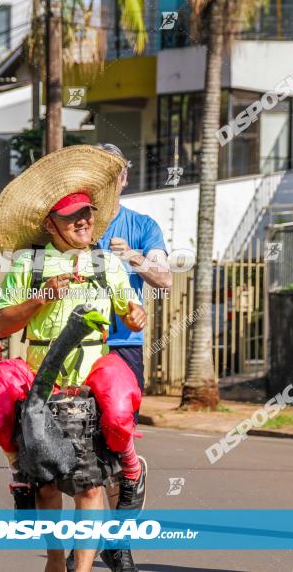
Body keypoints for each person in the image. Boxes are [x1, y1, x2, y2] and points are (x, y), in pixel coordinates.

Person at [0, 145, 147, 572]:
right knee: (44, 485)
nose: (84, 222)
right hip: (41, 382)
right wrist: (39, 299)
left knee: (91, 484)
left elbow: (133, 314)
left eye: (87, 213)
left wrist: (137, 314)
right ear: (51, 223)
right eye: (73, 217)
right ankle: (53, 555)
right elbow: (0, 326)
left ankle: (129, 470)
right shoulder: (30, 266)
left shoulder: (108, 264)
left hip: (90, 381)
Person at [95, 143, 173, 398]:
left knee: (123, 422)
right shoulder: (75, 226)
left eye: (114, 173)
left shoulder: (143, 226)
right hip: (79, 342)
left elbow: (164, 279)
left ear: (124, 178)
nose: (107, 180)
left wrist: (131, 255)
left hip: (124, 343)